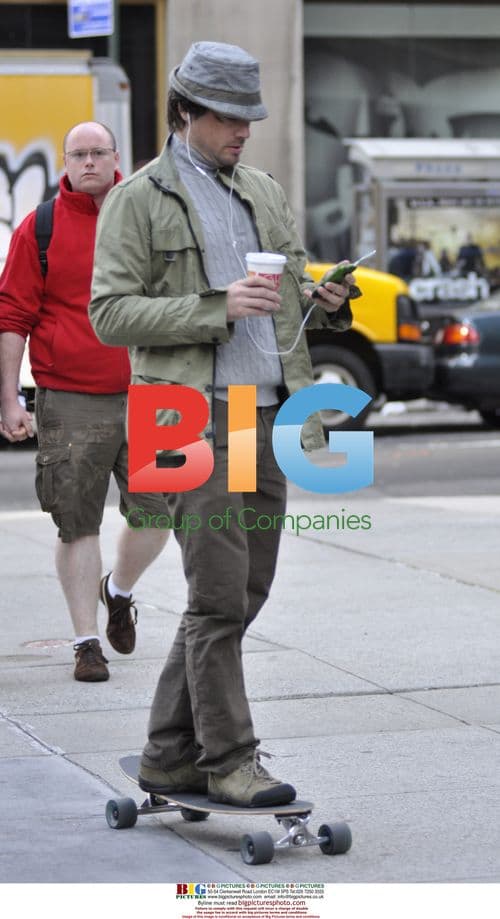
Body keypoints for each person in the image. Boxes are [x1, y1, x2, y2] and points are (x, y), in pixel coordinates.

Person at [89, 43, 353, 807]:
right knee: (216, 592)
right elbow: (109, 314)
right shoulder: (137, 198)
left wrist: (322, 298)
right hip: (179, 413)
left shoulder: (263, 190)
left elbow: (289, 292)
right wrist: (217, 306)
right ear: (184, 112)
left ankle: (169, 753)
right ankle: (229, 757)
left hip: (261, 411)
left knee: (246, 589)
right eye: (228, 118)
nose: (243, 131)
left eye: (249, 118)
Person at [0, 121, 169, 682]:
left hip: (150, 392)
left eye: (99, 152)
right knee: (77, 524)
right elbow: (12, 315)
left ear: (116, 157)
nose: (90, 162)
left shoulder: (146, 217)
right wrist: (9, 398)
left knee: (158, 513)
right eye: (79, 154)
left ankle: (117, 590)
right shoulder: (41, 227)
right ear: (66, 163)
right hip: (70, 397)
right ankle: (86, 642)